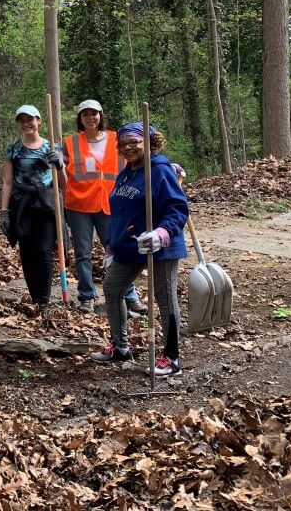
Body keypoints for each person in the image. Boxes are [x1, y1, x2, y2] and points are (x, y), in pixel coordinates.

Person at [90, 123, 189, 377]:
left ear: (149, 141)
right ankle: (120, 347)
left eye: (134, 142)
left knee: (165, 296)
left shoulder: (160, 170)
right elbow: (120, 212)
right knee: (113, 289)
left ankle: (172, 358)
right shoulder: (126, 173)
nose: (129, 148)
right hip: (131, 245)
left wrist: (162, 233)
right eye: (124, 144)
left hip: (160, 244)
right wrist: (113, 246)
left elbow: (178, 209)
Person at [61, 100, 146, 316]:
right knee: (83, 254)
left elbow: (135, 158)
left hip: (112, 203)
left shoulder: (117, 139)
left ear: (101, 116)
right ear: (80, 119)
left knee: (119, 249)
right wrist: (57, 161)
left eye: (94, 113)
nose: (90, 117)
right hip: (79, 204)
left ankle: (129, 295)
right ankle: (87, 296)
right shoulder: (70, 143)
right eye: (85, 114)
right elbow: (62, 177)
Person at [0, 105, 65, 319]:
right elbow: (7, 181)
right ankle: (35, 297)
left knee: (43, 251)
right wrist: (4, 211)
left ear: (39, 121)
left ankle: (44, 301)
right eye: (22, 120)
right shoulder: (13, 149)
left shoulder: (51, 147)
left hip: (46, 203)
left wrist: (60, 164)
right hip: (22, 205)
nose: (26, 124)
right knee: (27, 252)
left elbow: (63, 184)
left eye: (30, 120)